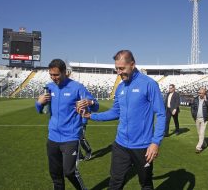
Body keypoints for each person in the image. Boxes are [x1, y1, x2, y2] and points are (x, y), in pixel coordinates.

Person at [79, 50, 166, 189]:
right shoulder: (120, 88)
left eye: (122, 68)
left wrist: (155, 142)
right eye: (117, 69)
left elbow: (161, 114)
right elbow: (115, 112)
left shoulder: (149, 84)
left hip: (143, 146)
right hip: (121, 145)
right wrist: (91, 116)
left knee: (146, 184)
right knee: (114, 183)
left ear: (132, 64)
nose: (119, 72)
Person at [35, 59, 99, 190]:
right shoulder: (49, 87)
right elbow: (41, 111)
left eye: (56, 75)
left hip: (70, 137)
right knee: (55, 174)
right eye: (51, 75)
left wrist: (89, 102)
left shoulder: (77, 87)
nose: (54, 78)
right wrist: (39, 103)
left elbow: (95, 106)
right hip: (52, 138)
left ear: (65, 72)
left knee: (69, 172)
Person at [190, 87, 208, 154]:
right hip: (197, 118)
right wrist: (193, 116)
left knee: (202, 132)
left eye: (201, 93)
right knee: (199, 133)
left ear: (204, 93)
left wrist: (206, 100)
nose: (199, 94)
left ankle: (198, 147)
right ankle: (204, 143)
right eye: (199, 93)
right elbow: (192, 108)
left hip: (204, 119)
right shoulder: (195, 99)